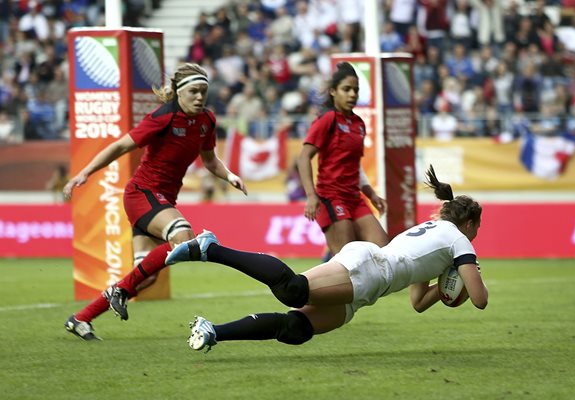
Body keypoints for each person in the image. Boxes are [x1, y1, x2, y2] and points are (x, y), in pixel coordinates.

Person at [165, 165, 488, 352]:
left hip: (370, 286)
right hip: (369, 269)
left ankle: (213, 332)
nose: (476, 235)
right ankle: (211, 248)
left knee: (296, 328)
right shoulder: (459, 240)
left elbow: (418, 301)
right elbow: (480, 299)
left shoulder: (435, 232)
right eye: (478, 228)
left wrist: (443, 289)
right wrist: (466, 274)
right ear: (470, 223)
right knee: (292, 290)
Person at [63, 63, 248, 341]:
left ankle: (81, 318)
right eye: (194, 92)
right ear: (179, 93)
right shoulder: (163, 116)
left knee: (146, 276)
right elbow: (120, 146)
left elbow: (210, 161)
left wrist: (230, 176)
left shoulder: (206, 121)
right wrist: (85, 172)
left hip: (161, 200)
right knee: (183, 236)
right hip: (142, 194)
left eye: (204, 92)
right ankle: (118, 292)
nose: (200, 97)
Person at [297, 62, 389, 258]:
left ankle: (325, 266)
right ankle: (314, 283)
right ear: (333, 91)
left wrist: (371, 195)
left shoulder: (358, 124)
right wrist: (311, 196)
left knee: (385, 253)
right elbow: (304, 157)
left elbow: (355, 166)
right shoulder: (327, 119)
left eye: (356, 90)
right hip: (331, 197)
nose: (352, 95)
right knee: (349, 260)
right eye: (346, 89)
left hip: (355, 198)